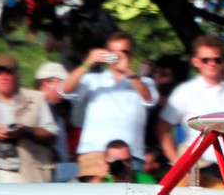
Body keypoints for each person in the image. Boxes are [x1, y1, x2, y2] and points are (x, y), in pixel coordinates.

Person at [62, 32, 156, 182]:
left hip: (130, 154)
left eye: (124, 52)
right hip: (95, 151)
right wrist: (88, 62)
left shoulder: (143, 82)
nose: (118, 57)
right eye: (113, 52)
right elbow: (64, 90)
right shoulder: (93, 79)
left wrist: (129, 72)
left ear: (132, 55)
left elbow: (149, 99)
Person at [0, 53, 59, 183]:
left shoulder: (37, 100)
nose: (4, 78)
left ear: (18, 75)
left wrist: (26, 131)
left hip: (29, 177)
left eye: (8, 73)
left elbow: (52, 136)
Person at [156, 35, 224, 163]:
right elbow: (162, 129)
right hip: (197, 166)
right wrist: (179, 166)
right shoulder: (184, 91)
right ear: (196, 62)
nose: (212, 64)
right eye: (206, 60)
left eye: (217, 60)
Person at [34, 62, 72, 164]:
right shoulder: (40, 107)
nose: (66, 88)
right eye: (61, 83)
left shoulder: (55, 110)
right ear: (45, 83)